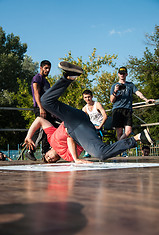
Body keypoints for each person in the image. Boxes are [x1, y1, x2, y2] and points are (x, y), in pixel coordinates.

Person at [23, 61, 154, 163]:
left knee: (45, 102)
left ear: (47, 152)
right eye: (52, 161)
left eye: (47, 157)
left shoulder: (51, 139)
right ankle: (138, 138)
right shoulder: (68, 156)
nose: (51, 158)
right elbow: (70, 139)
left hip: (72, 119)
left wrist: (29, 136)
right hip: (81, 131)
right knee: (101, 154)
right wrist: (76, 159)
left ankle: (69, 76)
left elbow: (39, 120)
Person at [25, 60, 61, 161]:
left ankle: (45, 152)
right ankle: (30, 151)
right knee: (40, 130)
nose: (48, 70)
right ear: (41, 68)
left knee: (47, 131)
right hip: (40, 108)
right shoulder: (37, 78)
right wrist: (41, 108)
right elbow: (36, 93)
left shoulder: (46, 81)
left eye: (49, 68)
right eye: (46, 68)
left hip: (47, 109)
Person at [110, 66, 155, 140]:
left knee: (128, 131)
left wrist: (146, 99)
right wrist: (115, 91)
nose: (122, 75)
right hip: (117, 110)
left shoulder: (130, 85)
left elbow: (138, 93)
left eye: (123, 73)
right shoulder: (114, 86)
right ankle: (121, 150)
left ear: (126, 74)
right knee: (119, 133)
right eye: (121, 73)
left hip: (127, 110)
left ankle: (116, 147)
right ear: (118, 74)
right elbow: (112, 100)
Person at [82, 89, 107, 157]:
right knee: (82, 131)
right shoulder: (84, 108)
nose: (88, 99)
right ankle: (87, 150)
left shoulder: (97, 104)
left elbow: (105, 116)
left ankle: (92, 151)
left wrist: (100, 126)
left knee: (89, 132)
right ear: (84, 98)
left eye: (89, 97)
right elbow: (83, 120)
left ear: (92, 96)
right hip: (91, 126)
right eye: (86, 97)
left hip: (100, 125)